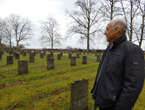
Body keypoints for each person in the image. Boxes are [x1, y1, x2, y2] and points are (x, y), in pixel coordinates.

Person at [91, 18, 145, 110]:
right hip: (102, 103)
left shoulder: (132, 51)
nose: (105, 33)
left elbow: (132, 87)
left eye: (107, 29)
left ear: (117, 30)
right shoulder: (110, 48)